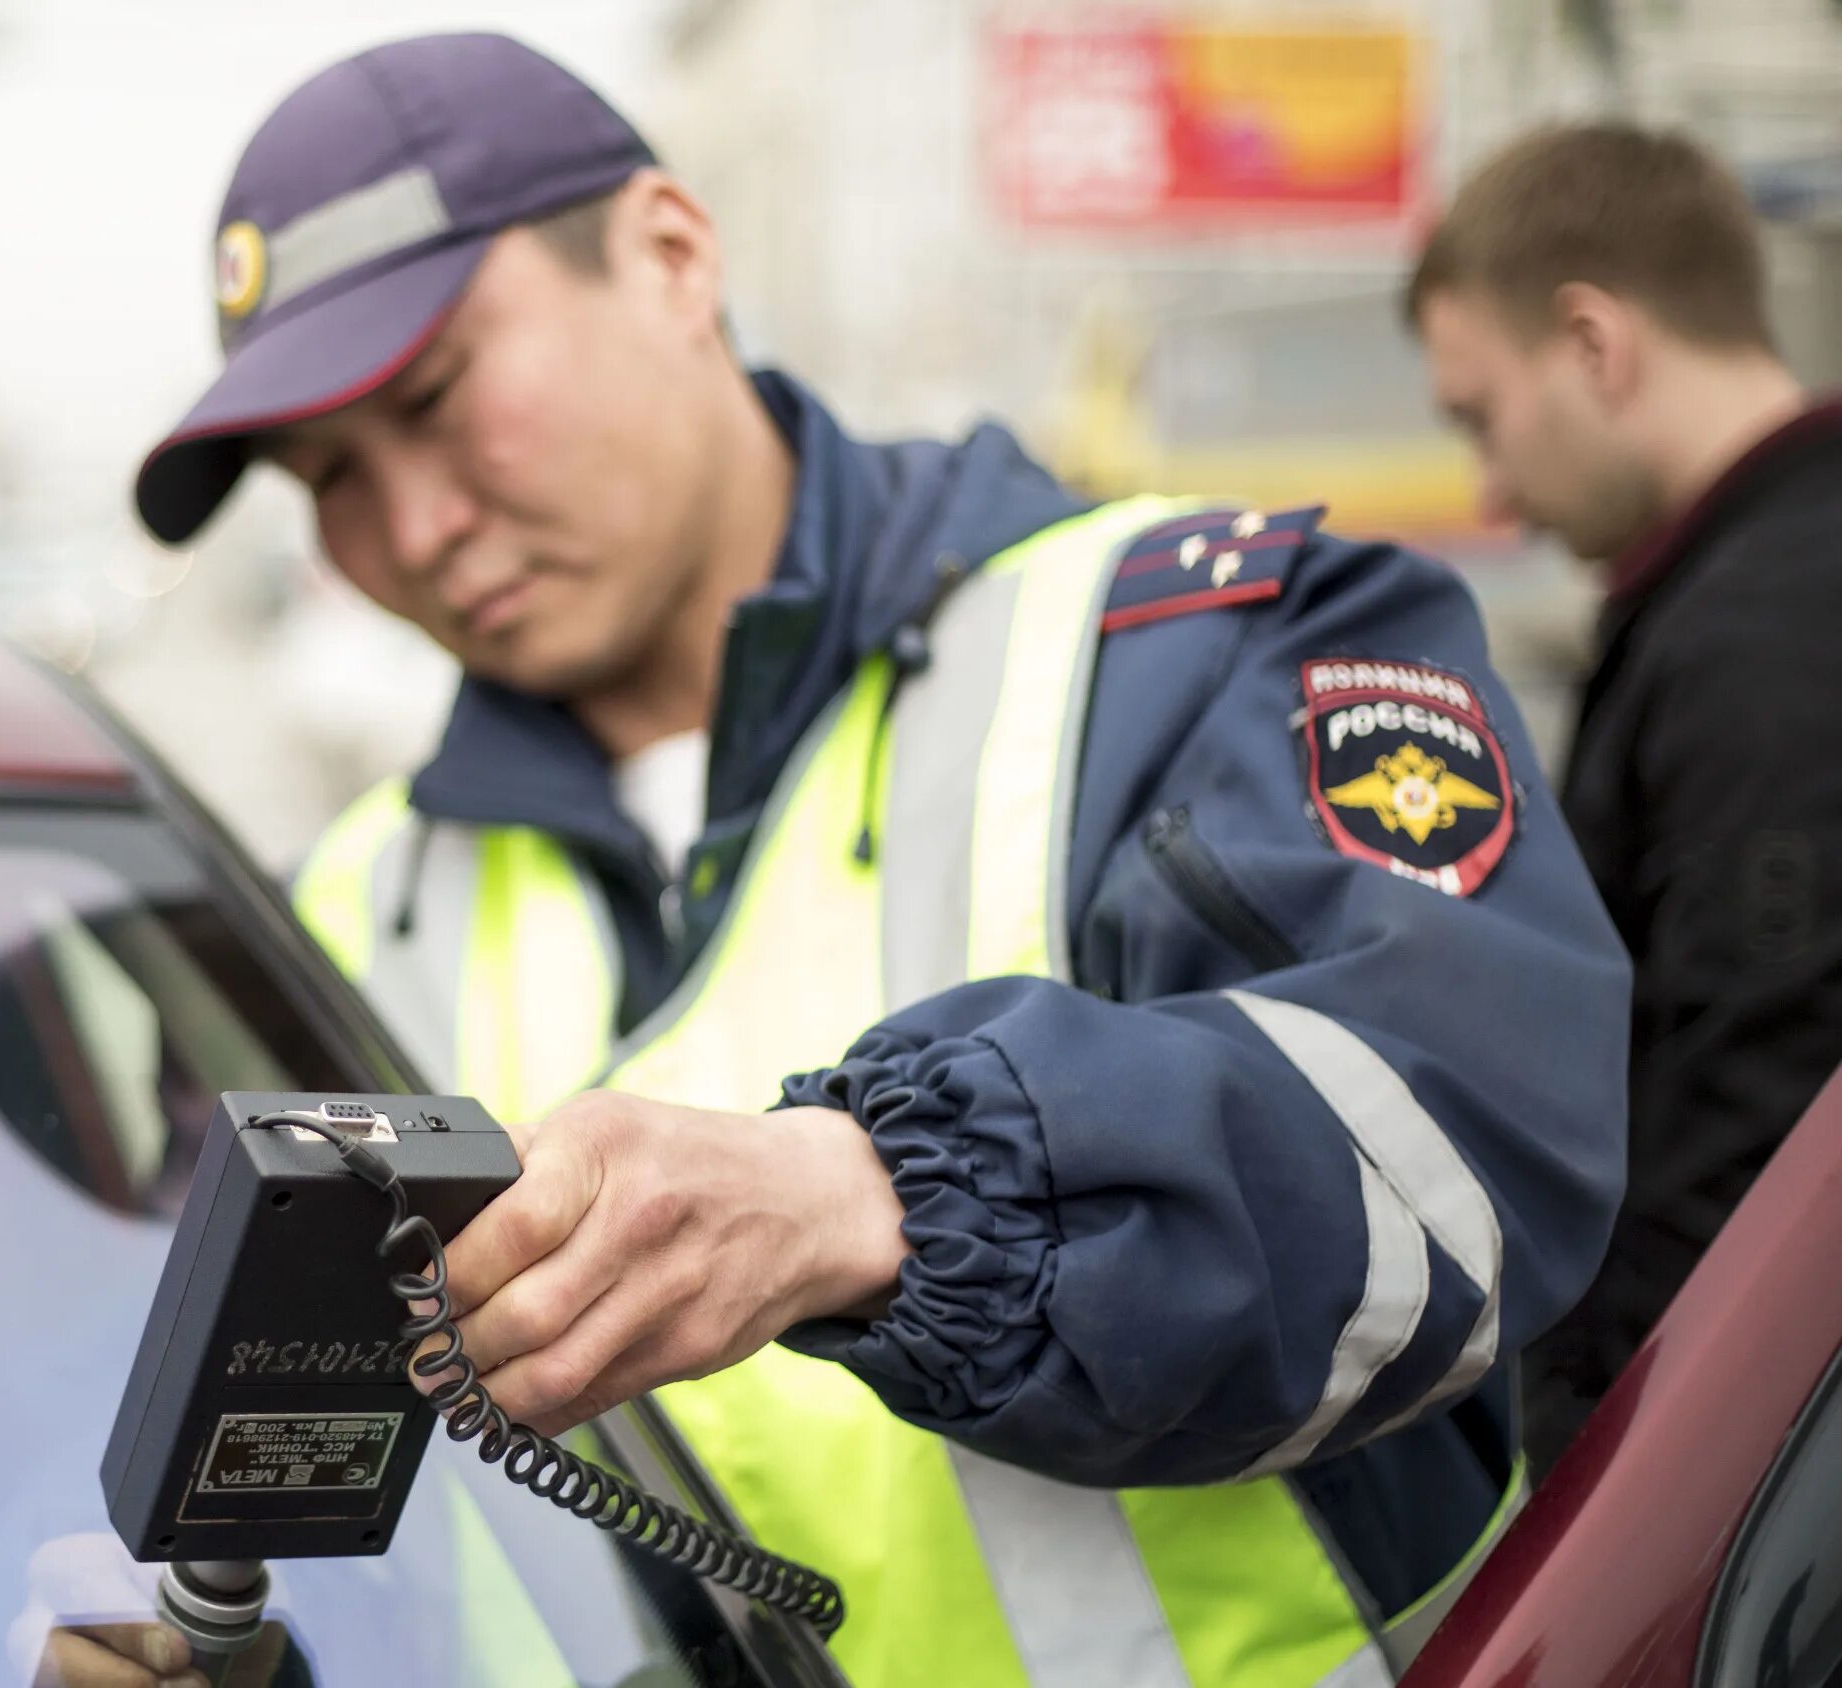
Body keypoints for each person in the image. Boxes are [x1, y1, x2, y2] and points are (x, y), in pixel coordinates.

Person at [120, 34, 1628, 1688]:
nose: (409, 530)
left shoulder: (1192, 645)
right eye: (329, 480)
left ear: (673, 257)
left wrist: (884, 1192)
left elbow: (1472, 1148)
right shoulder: (348, 911)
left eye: (434, 399)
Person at [1406, 124, 1842, 1467]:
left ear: (1594, 343)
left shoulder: (1768, 635)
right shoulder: (1757, 586)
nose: (1489, 488)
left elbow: (1752, 1142)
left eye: (1481, 416)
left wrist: (1623, 1496)